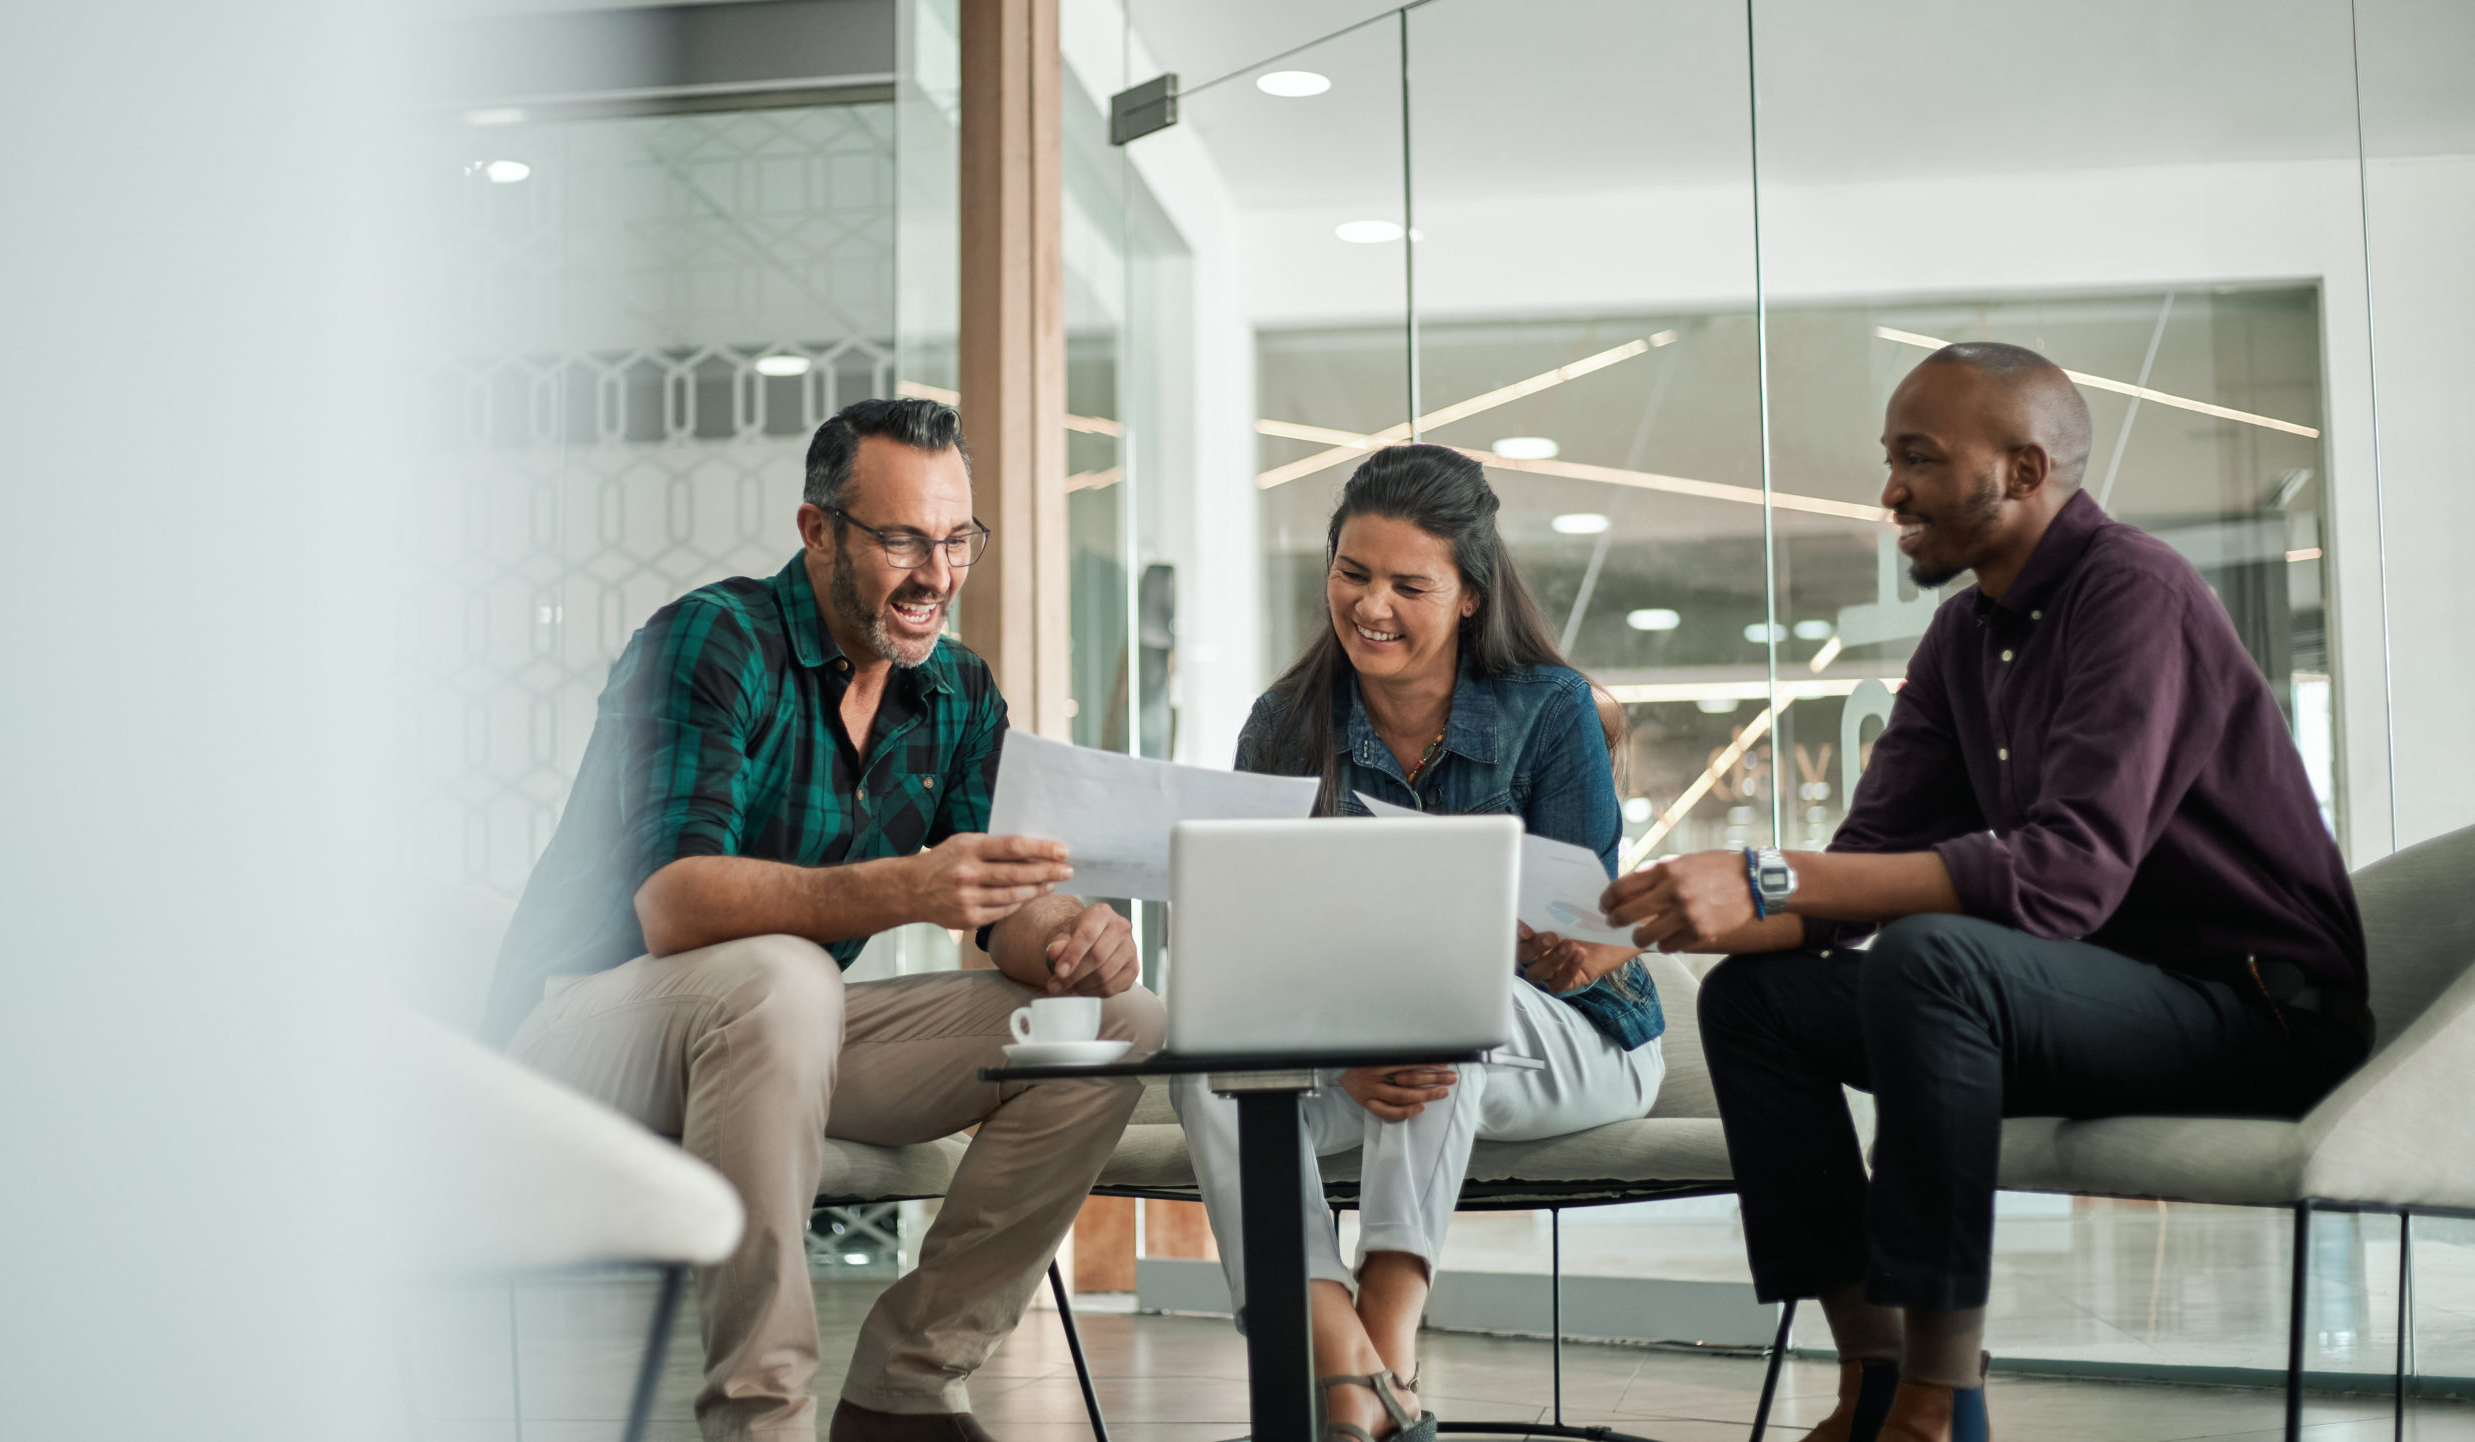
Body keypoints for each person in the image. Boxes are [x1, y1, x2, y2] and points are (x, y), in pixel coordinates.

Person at [1601, 343, 2370, 1442]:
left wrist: (1769, 872)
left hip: (2254, 1011)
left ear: (2023, 468)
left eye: (1917, 457)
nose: (1890, 491)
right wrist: (1657, 923)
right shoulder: (1964, 636)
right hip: (2089, 997)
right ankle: (1867, 1374)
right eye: (1889, 458)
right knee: (1753, 998)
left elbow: (2062, 875)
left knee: (1935, 957)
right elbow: (1861, 866)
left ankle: (1938, 1397)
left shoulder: (2134, 590)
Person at [478, 397, 1164, 1442]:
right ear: (817, 531)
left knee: (1121, 1022)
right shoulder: (712, 638)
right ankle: (763, 1419)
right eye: (899, 539)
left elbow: (987, 902)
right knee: (789, 976)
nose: (934, 573)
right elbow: (674, 902)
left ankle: (907, 1384)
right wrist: (909, 885)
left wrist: (1071, 933)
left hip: (774, 1030)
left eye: (953, 539)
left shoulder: (959, 693)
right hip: (581, 1030)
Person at [1172, 444, 1669, 1442]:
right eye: (1353, 574)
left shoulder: (1549, 707)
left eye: (1408, 584)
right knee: (1208, 1061)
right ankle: (1339, 1361)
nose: (1370, 606)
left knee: (1424, 1009)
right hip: (1353, 1034)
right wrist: (1334, 1041)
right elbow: (1255, 933)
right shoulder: (1284, 722)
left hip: (1573, 1034)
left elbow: (1586, 917)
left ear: (1471, 595)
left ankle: (1385, 1345)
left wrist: (1542, 943)